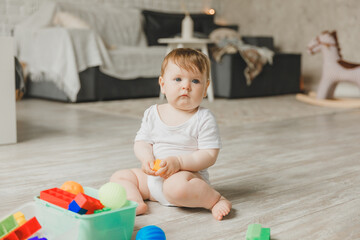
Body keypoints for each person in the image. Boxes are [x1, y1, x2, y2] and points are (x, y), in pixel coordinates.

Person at [110, 48, 231, 221]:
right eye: (177, 79)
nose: (186, 86)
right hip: (153, 181)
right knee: (120, 176)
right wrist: (146, 159)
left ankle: (215, 200)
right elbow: (142, 142)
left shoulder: (203, 118)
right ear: (163, 84)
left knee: (175, 187)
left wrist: (179, 162)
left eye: (195, 81)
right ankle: (134, 202)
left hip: (185, 178)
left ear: (205, 88)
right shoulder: (152, 113)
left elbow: (209, 154)